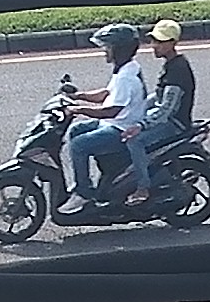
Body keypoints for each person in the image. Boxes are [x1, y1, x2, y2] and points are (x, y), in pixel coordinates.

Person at [64, 23, 155, 208]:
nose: (105, 51)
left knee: (79, 145)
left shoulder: (126, 77)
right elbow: (106, 94)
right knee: (75, 130)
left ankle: (83, 193)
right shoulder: (126, 68)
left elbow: (111, 111)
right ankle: (97, 177)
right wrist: (78, 96)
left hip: (121, 129)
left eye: (108, 47)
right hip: (112, 123)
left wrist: (79, 110)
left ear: (119, 50)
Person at [137, 18, 197, 157]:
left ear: (173, 43)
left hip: (174, 124)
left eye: (160, 42)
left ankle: (142, 172)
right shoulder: (171, 64)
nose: (154, 45)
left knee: (135, 141)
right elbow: (158, 96)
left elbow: (167, 109)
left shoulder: (178, 70)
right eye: (154, 41)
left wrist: (142, 124)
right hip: (165, 119)